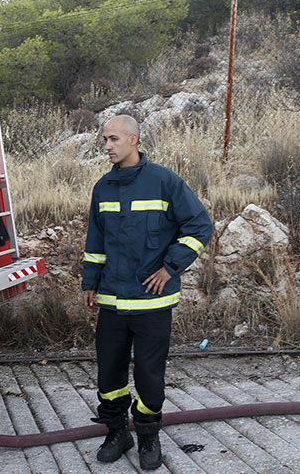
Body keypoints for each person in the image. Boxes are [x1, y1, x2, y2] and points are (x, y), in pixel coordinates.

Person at [81, 115, 212, 471]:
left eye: (112, 139)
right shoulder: (102, 188)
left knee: (149, 374)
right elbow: (96, 241)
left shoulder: (165, 181)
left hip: (152, 302)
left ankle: (148, 435)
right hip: (110, 299)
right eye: (104, 140)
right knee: (109, 374)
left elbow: (200, 226)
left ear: (133, 139)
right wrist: (90, 282)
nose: (106, 146)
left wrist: (170, 267)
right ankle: (115, 432)